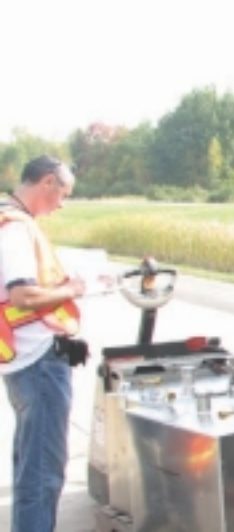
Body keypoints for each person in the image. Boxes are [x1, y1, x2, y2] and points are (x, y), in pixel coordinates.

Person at [0, 155, 87, 532]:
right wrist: (73, 289)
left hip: (24, 360)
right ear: (47, 181)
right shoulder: (16, 229)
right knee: (42, 475)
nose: (61, 204)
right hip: (38, 364)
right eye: (62, 193)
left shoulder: (7, 219)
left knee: (31, 465)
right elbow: (22, 295)